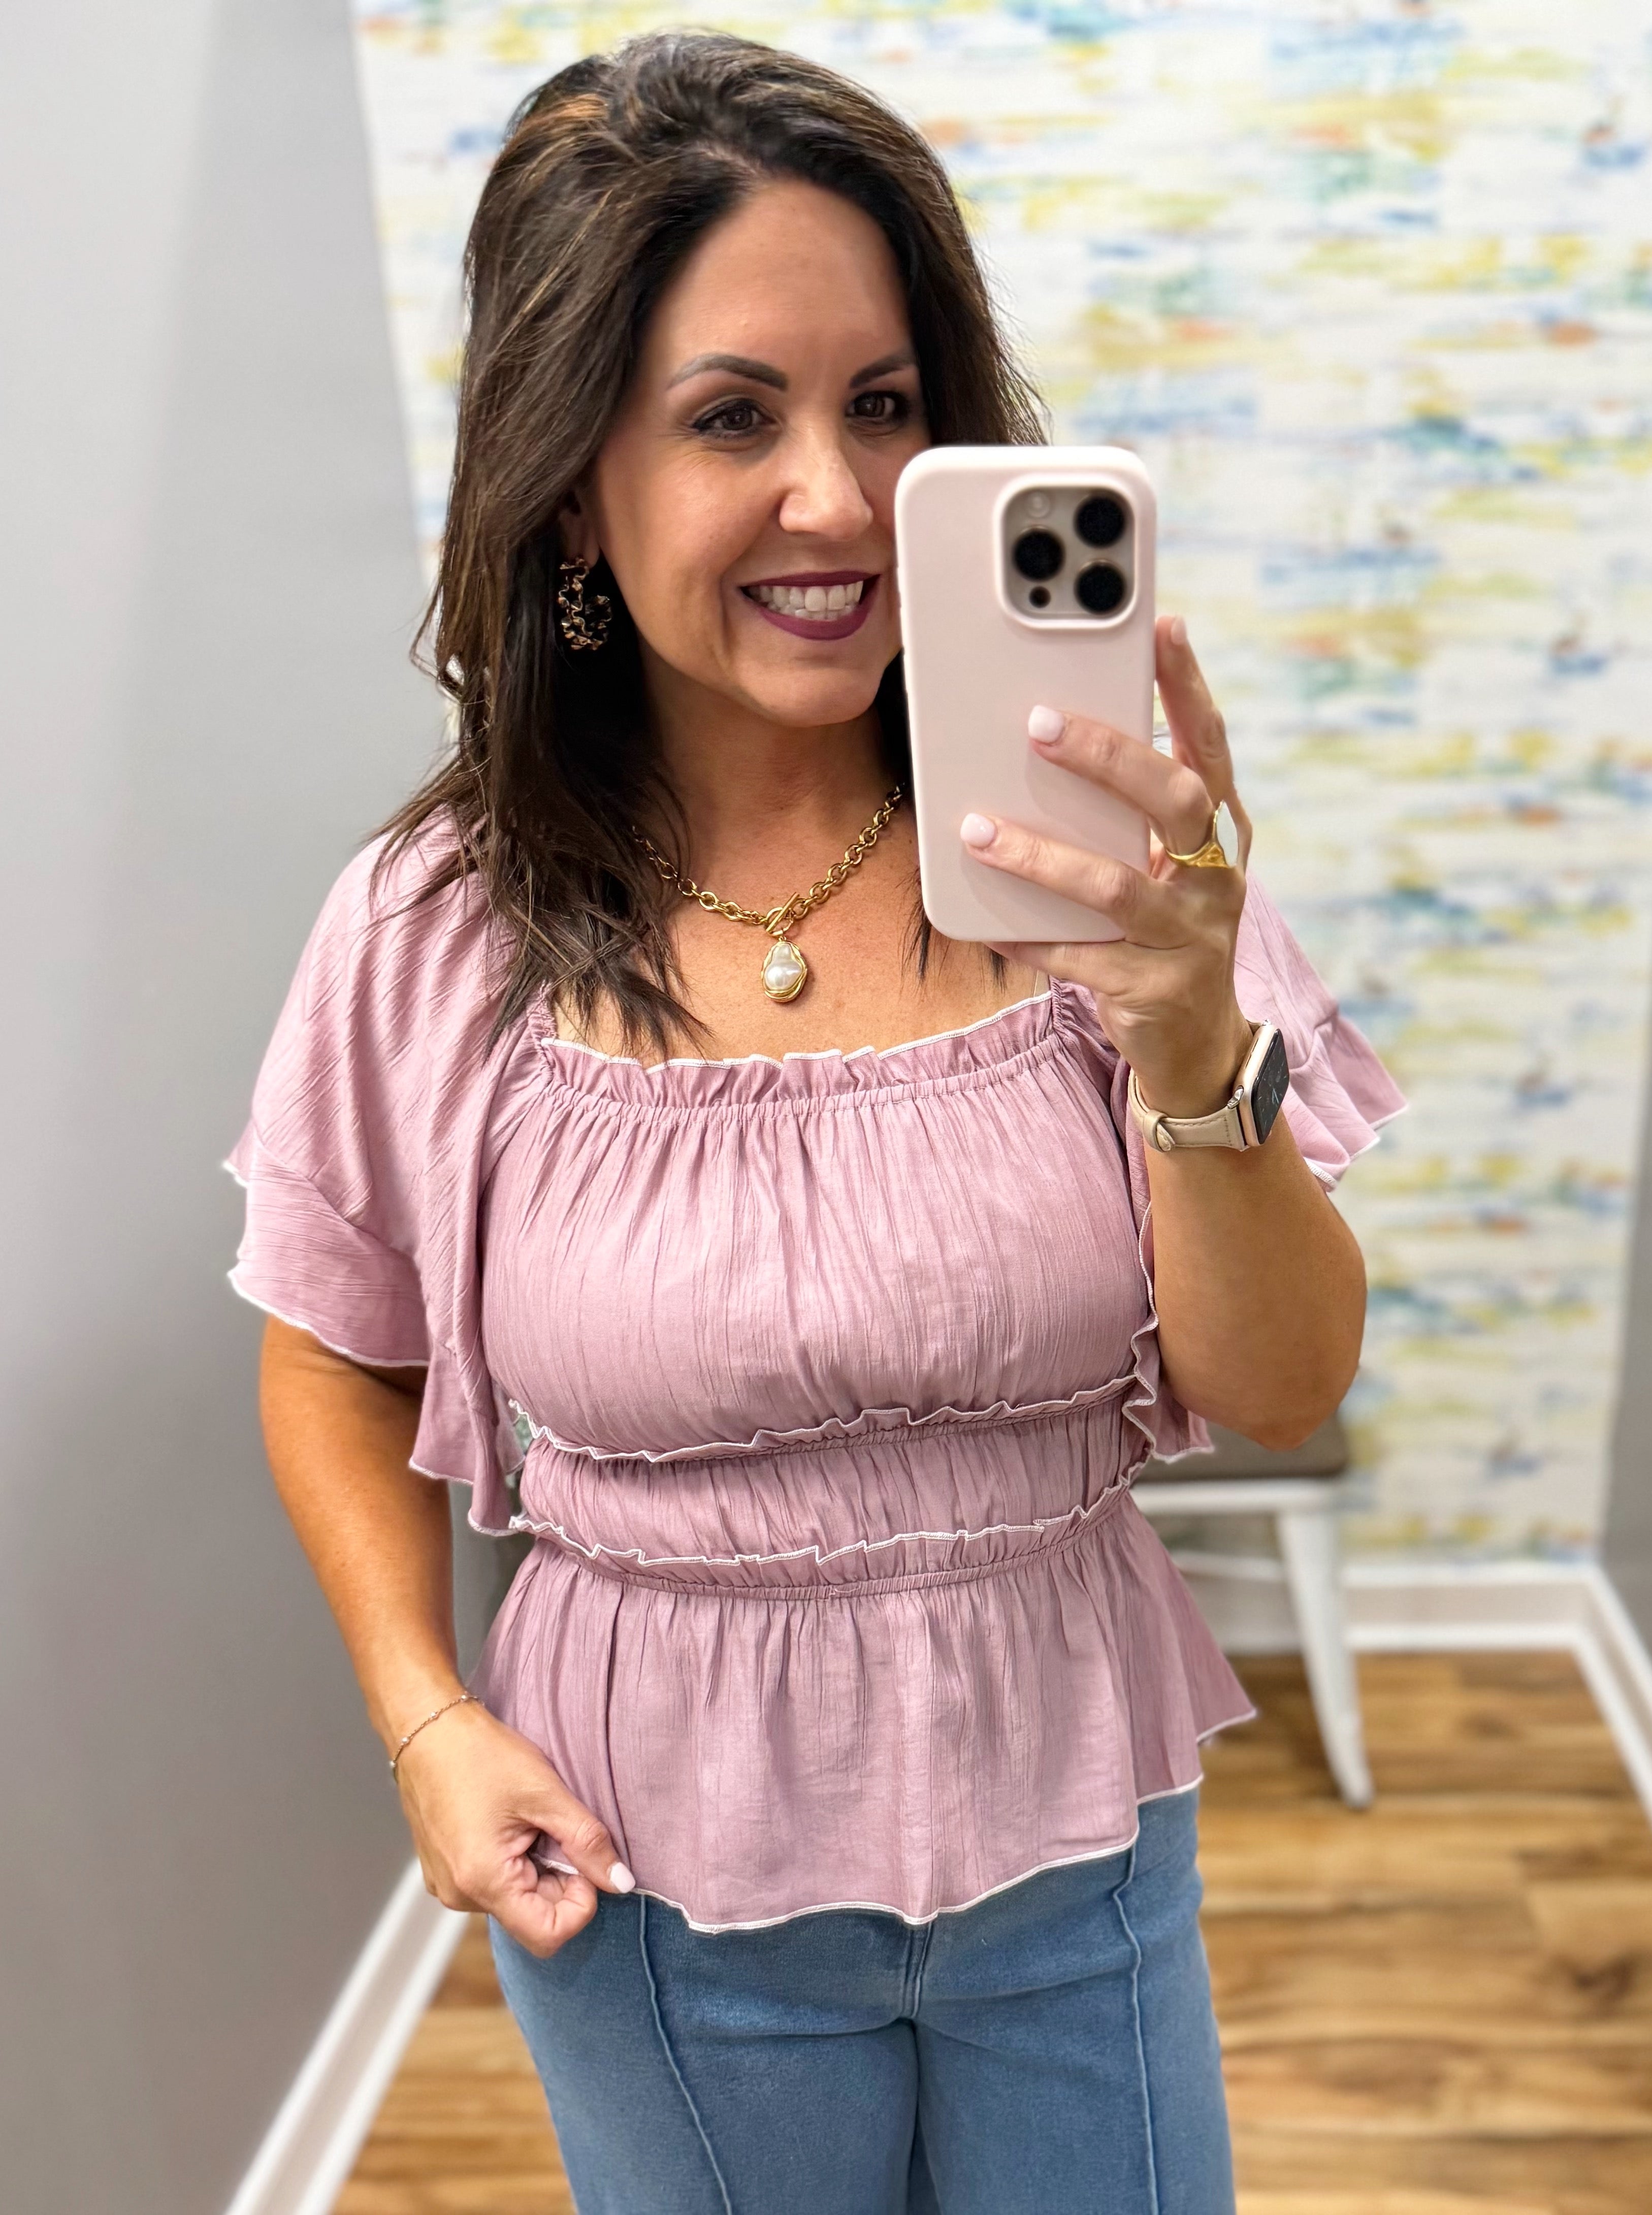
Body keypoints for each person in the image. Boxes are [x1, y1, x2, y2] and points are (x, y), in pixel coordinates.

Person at [230, 31, 1402, 2214]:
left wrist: (1179, 1027)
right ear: (573, 478)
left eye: (885, 404)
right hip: (650, 1871)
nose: (840, 501)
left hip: (1075, 1834)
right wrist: (421, 1712)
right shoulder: (431, 921)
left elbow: (1282, 1381)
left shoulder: (1109, 868)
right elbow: (332, 1344)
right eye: (728, 417)